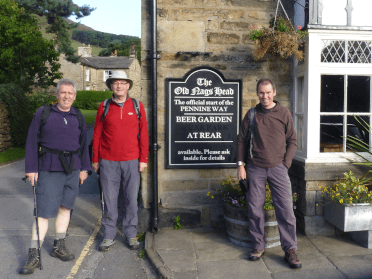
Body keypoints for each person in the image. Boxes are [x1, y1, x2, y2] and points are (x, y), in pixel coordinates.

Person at [21, 79, 91, 275]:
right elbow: (31, 141)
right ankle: (34, 253)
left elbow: (84, 143)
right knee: (43, 211)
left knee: (65, 207)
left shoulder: (78, 115)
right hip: (49, 167)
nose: (66, 96)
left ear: (75, 96)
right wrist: (31, 168)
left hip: (73, 168)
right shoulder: (43, 113)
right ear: (57, 95)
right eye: (63, 92)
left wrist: (85, 168)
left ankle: (59, 245)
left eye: (70, 93)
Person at [236, 79, 301, 269]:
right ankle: (258, 246)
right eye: (261, 93)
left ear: (274, 92)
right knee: (255, 209)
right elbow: (241, 141)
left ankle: (290, 249)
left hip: (278, 169)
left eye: (268, 92)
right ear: (257, 94)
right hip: (255, 168)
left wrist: (285, 164)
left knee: (286, 211)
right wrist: (241, 165)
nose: (265, 96)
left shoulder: (284, 113)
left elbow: (292, 141)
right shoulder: (252, 114)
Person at [92, 71, 148, 252]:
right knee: (109, 199)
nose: (119, 86)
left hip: (132, 160)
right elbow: (97, 134)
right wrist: (95, 159)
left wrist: (143, 159)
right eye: (115, 83)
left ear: (128, 86)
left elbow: (144, 134)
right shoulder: (104, 106)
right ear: (111, 86)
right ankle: (108, 235)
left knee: (131, 199)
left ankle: (131, 234)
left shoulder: (137, 106)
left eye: (122, 83)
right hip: (107, 161)